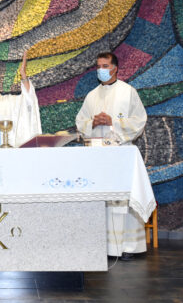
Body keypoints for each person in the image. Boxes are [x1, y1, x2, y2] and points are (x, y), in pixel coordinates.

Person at [75, 52, 148, 260]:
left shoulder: (128, 92)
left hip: (121, 153)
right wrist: (93, 123)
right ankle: (104, 246)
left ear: (115, 68)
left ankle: (129, 246)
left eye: (105, 65)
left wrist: (113, 122)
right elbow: (80, 122)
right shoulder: (92, 95)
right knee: (102, 199)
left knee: (122, 198)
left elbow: (140, 120)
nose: (101, 69)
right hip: (98, 156)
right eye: (98, 66)